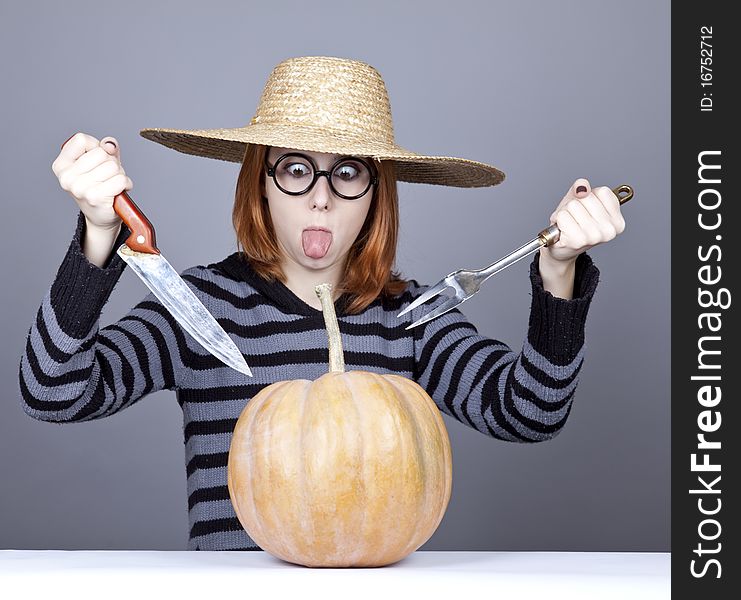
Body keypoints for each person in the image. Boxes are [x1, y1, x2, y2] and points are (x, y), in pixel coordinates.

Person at [19, 56, 625, 551]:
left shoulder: (410, 318)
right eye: (297, 170)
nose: (321, 199)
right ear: (260, 181)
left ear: (376, 194)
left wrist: (558, 267)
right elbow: (53, 392)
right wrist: (101, 237)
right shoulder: (198, 309)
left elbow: (530, 412)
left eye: (349, 174)